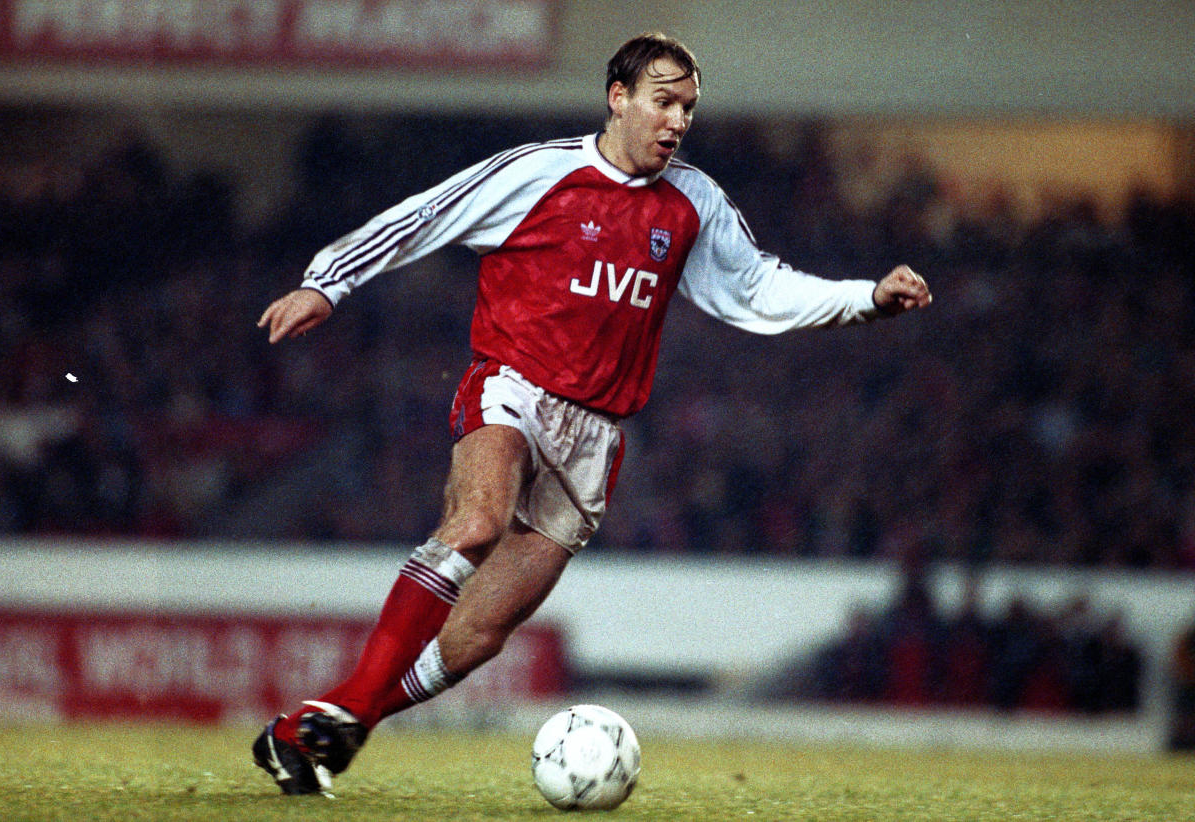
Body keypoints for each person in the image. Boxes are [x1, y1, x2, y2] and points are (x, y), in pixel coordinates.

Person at [251, 31, 932, 795]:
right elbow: (425, 215)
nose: (676, 122)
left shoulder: (693, 202)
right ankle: (341, 710)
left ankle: (310, 732)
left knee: (478, 636)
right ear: (618, 97)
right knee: (475, 523)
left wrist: (863, 299)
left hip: (594, 435)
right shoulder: (541, 173)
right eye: (662, 102)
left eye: (688, 109)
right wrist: (327, 283)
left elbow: (758, 289)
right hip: (511, 387)